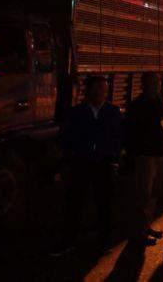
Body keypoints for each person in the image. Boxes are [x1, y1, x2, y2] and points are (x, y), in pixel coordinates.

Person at [51, 75, 122, 256]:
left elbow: (118, 136)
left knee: (104, 202)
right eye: (97, 88)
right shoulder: (77, 113)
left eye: (103, 88)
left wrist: (115, 157)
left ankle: (103, 240)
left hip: (103, 161)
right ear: (88, 90)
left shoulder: (112, 112)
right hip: (81, 161)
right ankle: (68, 240)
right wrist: (68, 157)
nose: (100, 92)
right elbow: (67, 137)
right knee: (74, 202)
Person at [124, 71, 163, 245]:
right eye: (152, 83)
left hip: (158, 154)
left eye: (157, 83)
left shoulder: (157, 102)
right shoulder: (138, 106)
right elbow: (130, 132)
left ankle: (146, 226)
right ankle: (139, 234)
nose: (156, 86)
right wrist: (134, 153)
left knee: (153, 194)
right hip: (145, 156)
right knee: (143, 195)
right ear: (143, 86)